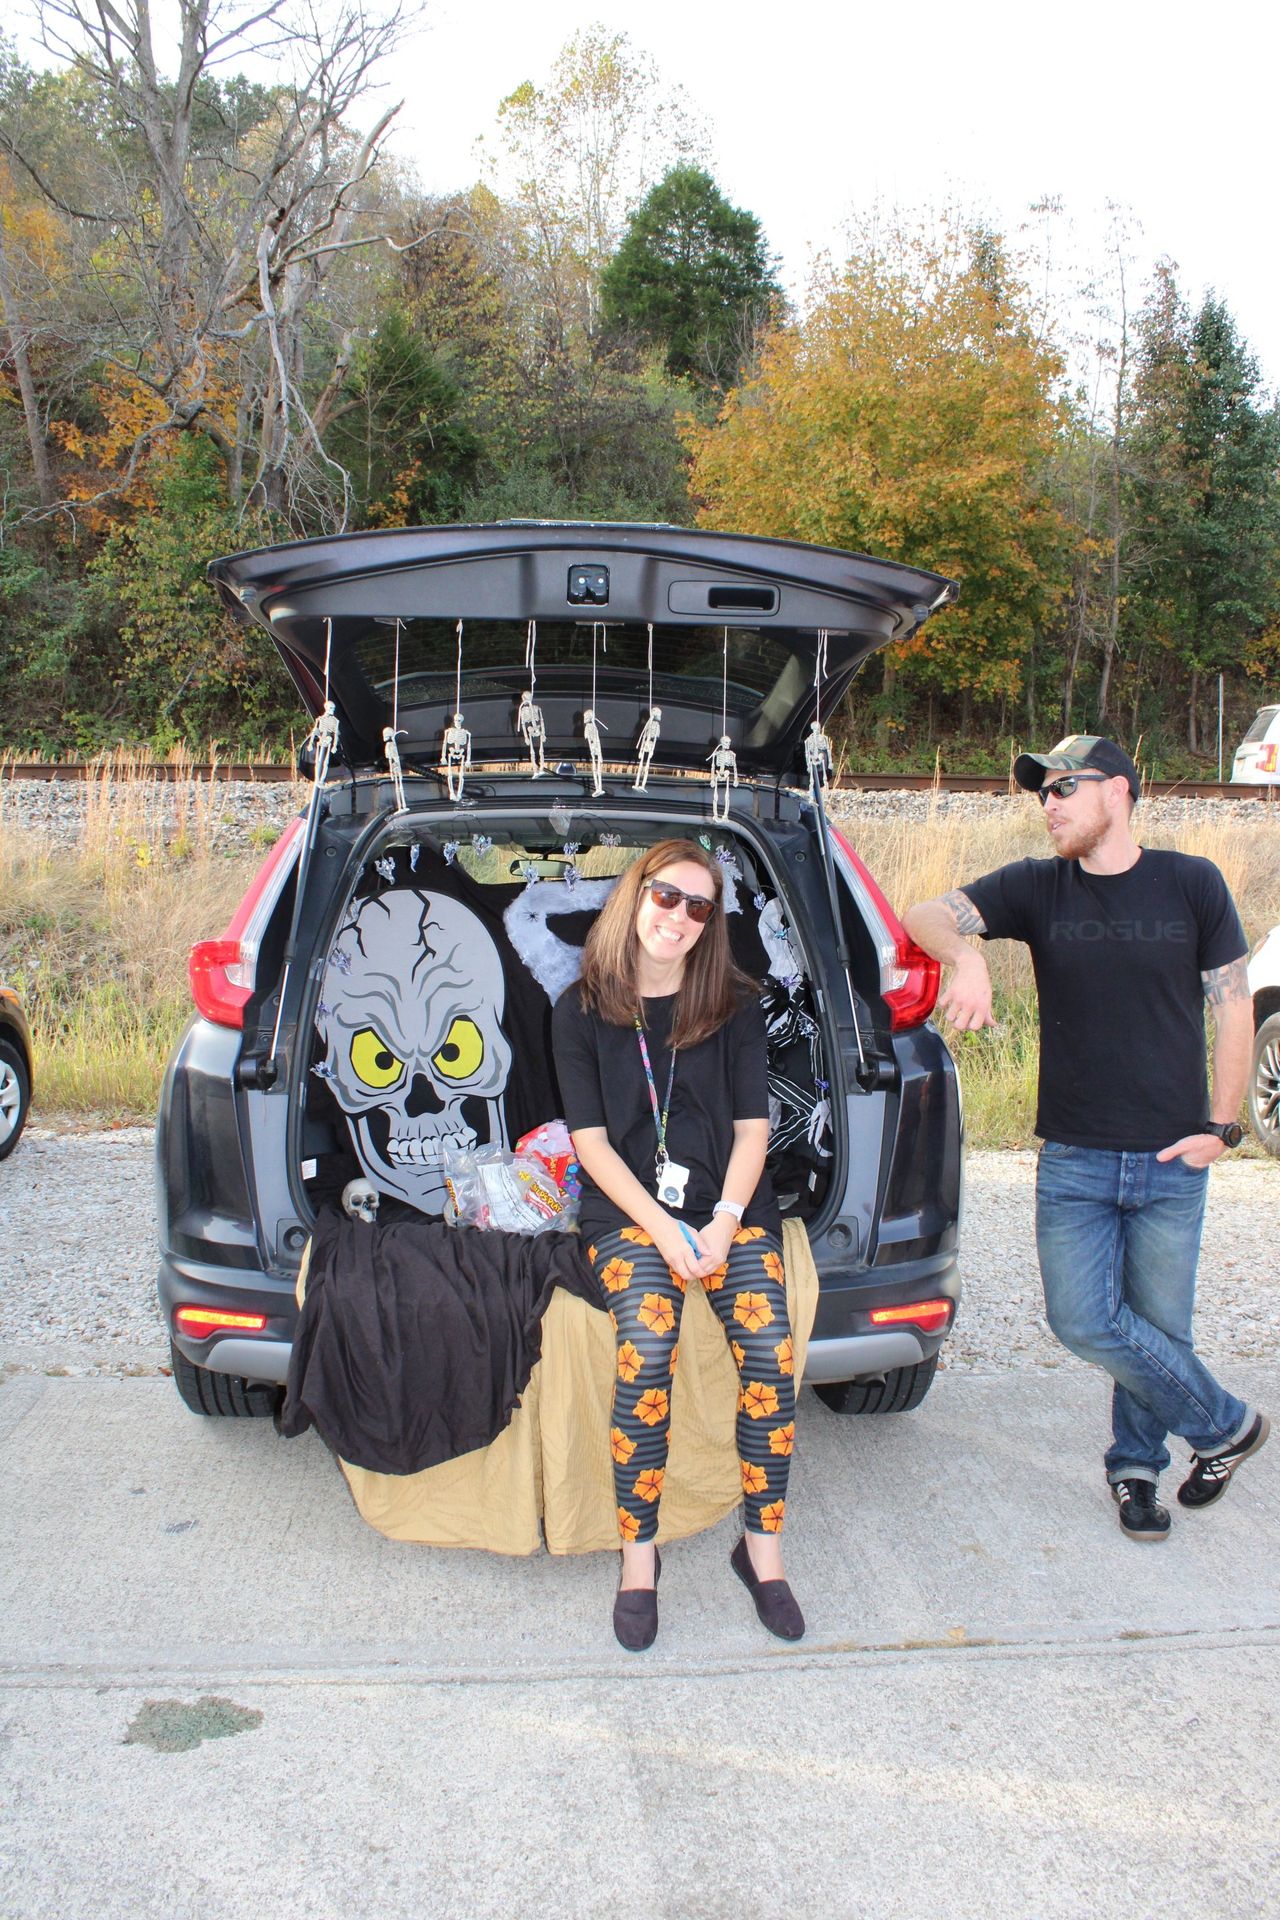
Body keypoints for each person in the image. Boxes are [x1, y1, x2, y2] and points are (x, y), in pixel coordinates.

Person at [904, 735, 1268, 1542]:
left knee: (1161, 1330)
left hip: (1176, 1159)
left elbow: (1233, 1006)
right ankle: (1227, 1427)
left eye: (1066, 786)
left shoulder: (1193, 882)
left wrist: (1223, 1126)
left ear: (1120, 793)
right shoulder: (1038, 887)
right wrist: (965, 958)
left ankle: (1138, 1472)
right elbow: (923, 914)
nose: (1050, 803)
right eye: (1042, 792)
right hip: (1075, 1158)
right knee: (1082, 1321)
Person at [551, 839, 804, 1647]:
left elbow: (753, 1130)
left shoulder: (731, 1002)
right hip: (628, 1218)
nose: (681, 918)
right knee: (649, 1343)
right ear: (635, 895)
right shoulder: (581, 1007)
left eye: (701, 907)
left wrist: (726, 1221)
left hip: (731, 1209)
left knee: (770, 1348)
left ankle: (762, 1554)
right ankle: (639, 1559)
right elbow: (590, 1143)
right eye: (668, 897)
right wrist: (664, 1230)